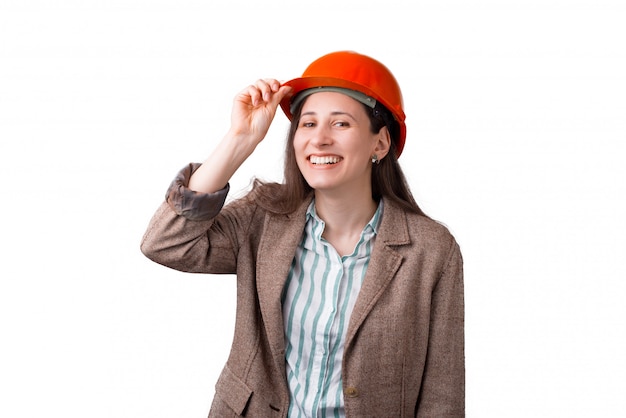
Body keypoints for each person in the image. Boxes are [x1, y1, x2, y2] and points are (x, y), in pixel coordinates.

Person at [141, 50, 464, 417]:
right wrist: (239, 139)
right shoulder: (263, 217)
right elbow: (165, 243)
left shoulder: (432, 249)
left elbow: (442, 392)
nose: (319, 139)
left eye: (340, 124)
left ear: (380, 144)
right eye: (307, 124)